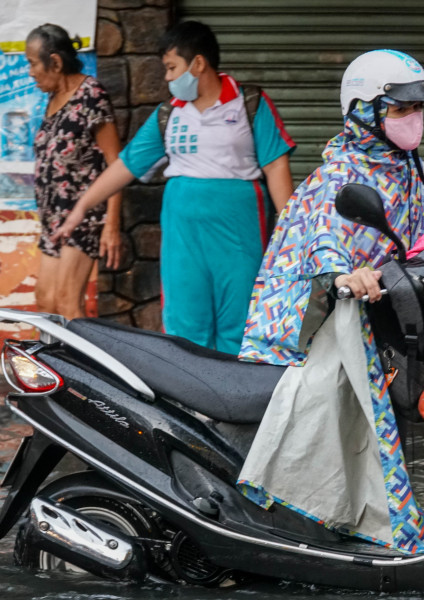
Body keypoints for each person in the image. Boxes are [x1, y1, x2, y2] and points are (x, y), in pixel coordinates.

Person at [236, 50, 424, 554]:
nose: (412, 118)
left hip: (376, 320)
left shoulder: (411, 169)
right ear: (363, 111)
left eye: (417, 107)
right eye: (399, 108)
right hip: (309, 330)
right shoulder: (341, 173)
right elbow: (325, 241)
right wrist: (344, 273)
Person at [54, 20, 295, 353]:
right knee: (185, 323)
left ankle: (237, 398)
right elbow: (125, 165)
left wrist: (293, 230)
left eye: (171, 67)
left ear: (197, 63)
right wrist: (80, 207)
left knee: (240, 318)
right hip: (183, 235)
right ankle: (191, 400)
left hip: (240, 231)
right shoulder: (168, 115)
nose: (167, 77)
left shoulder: (250, 103)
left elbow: (276, 166)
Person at [28, 24, 122, 319]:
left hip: (84, 217)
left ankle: (77, 366)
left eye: (32, 63)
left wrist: (112, 226)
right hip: (54, 220)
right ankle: (47, 366)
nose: (30, 72)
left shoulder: (91, 94)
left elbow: (115, 162)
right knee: (45, 301)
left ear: (55, 62)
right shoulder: (53, 97)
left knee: (68, 302)